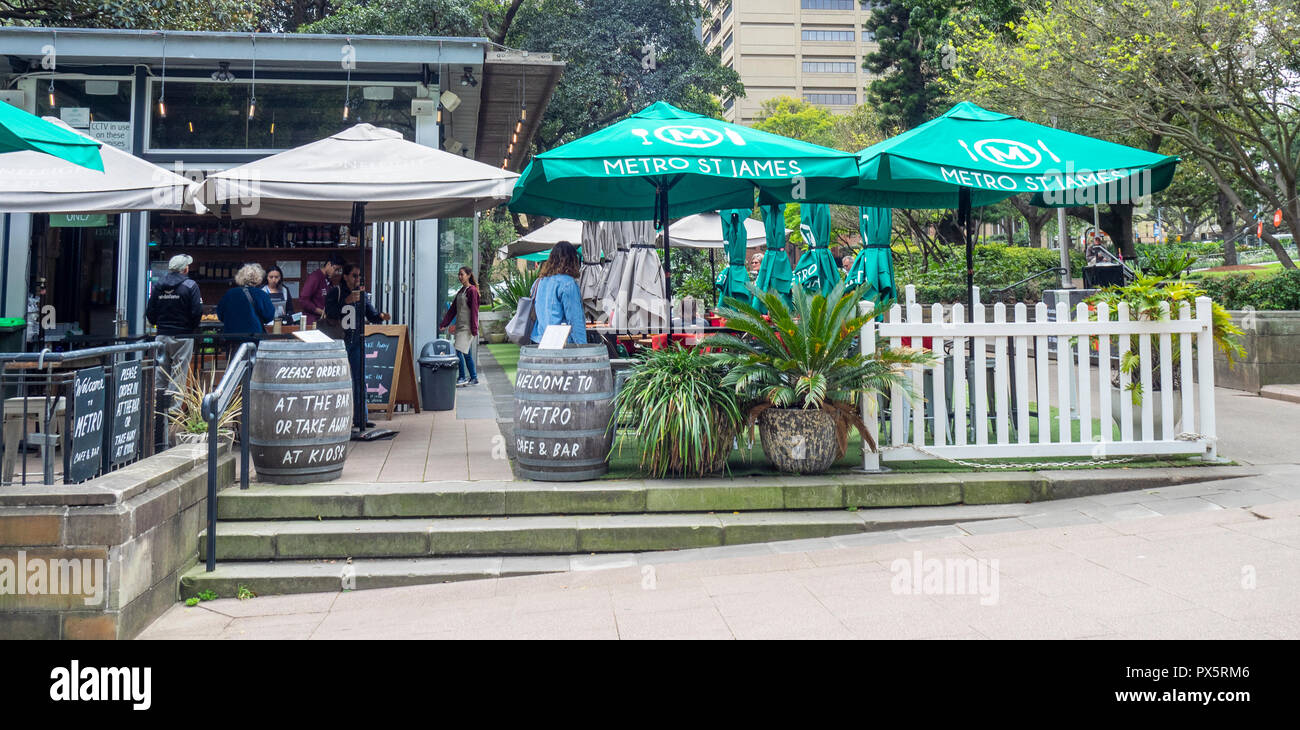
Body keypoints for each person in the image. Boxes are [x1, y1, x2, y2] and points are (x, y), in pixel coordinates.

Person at [324, 263, 390, 429]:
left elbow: (372, 314)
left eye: (359, 276)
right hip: (340, 341)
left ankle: (361, 417)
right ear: (345, 276)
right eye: (354, 275)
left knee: (360, 379)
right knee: (340, 379)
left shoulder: (362, 295)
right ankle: (339, 417)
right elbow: (330, 313)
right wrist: (346, 301)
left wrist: (381, 316)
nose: (357, 279)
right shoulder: (336, 292)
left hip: (357, 341)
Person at [146, 254, 202, 407]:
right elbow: (197, 312)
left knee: (161, 372)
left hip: (162, 335)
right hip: (183, 336)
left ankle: (158, 409)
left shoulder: (158, 285)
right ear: (184, 269)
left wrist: (158, 324)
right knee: (179, 374)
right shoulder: (190, 285)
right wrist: (191, 328)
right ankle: (173, 411)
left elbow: (150, 311)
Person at [530, 241, 587, 345]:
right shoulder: (568, 283)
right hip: (561, 342)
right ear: (572, 260)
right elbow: (575, 319)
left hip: (540, 340)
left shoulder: (539, 282)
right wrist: (583, 346)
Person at [439, 266, 480, 387]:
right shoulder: (462, 291)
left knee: (458, 350)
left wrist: (474, 328)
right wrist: (444, 324)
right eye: (459, 274)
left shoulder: (472, 291)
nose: (460, 277)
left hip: (467, 328)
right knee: (465, 353)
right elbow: (452, 310)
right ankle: (473, 377)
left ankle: (462, 377)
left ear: (468, 275)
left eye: (462, 274)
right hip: (460, 327)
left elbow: (474, 311)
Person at [216, 263, 276, 340]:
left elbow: (220, 315)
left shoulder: (230, 293)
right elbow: (269, 316)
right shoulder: (261, 294)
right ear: (258, 278)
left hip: (232, 337)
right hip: (253, 337)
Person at [298, 255, 344, 328]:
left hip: (324, 322)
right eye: (336, 269)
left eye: (339, 270)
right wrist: (321, 311)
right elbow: (303, 300)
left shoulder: (328, 279)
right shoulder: (315, 277)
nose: (336, 272)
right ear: (329, 264)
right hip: (313, 322)